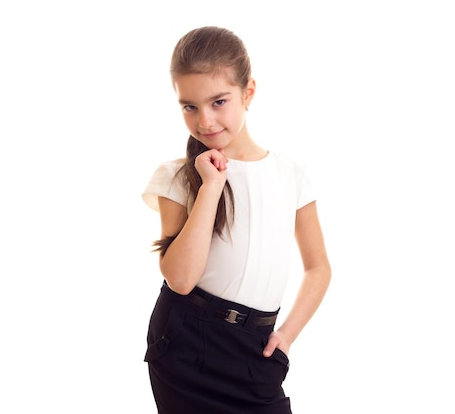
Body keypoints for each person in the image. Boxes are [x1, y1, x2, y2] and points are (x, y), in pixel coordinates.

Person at [141, 25, 331, 414]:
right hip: (186, 344)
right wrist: (211, 185)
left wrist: (288, 335)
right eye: (189, 106)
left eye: (219, 102)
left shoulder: (290, 173)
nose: (205, 120)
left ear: (248, 93)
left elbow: (318, 268)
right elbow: (180, 279)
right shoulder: (176, 176)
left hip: (254, 349)